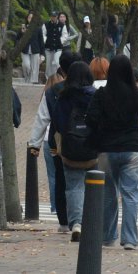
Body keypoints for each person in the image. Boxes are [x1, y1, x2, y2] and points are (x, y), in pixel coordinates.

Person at [86, 54, 138, 249]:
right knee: (131, 194)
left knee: (108, 194)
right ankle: (130, 239)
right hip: (133, 148)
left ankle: (108, 236)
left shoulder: (101, 94)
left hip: (107, 149)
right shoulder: (137, 94)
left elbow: (90, 119)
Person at [28, 50, 79, 228]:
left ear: (61, 69)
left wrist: (34, 144)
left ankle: (64, 221)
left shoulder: (53, 91)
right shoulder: (90, 89)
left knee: (60, 179)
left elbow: (42, 118)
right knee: (83, 180)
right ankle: (80, 218)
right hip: (86, 143)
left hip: (58, 143)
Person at [52, 61, 98, 241]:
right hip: (92, 149)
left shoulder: (64, 97)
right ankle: (90, 222)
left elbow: (57, 123)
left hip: (70, 150)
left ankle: (76, 223)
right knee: (94, 187)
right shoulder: (95, 96)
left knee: (73, 187)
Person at [18, 12, 44, 84]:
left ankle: (32, 83)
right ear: (27, 18)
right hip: (24, 50)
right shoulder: (23, 27)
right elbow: (17, 39)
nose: (30, 19)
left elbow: (41, 41)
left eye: (32, 18)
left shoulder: (38, 28)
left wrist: (42, 54)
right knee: (26, 65)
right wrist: (21, 32)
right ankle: (27, 79)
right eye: (29, 17)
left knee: (35, 69)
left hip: (35, 50)